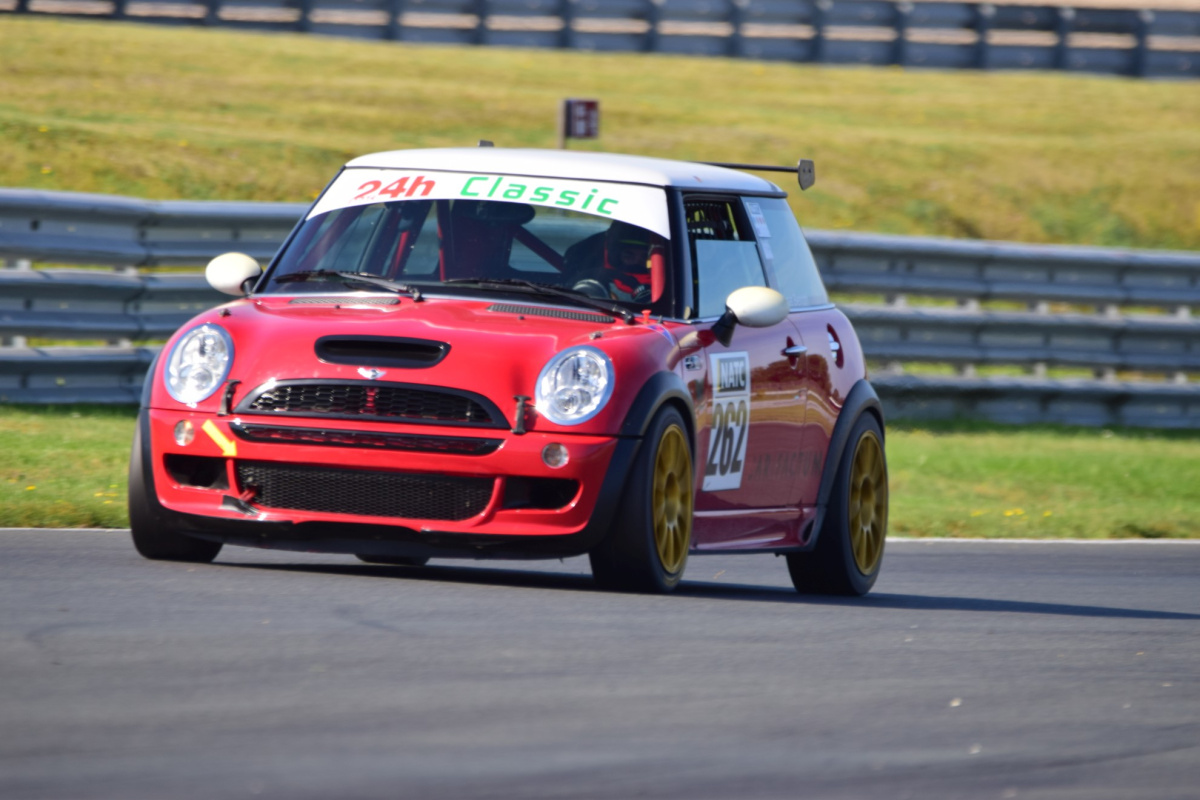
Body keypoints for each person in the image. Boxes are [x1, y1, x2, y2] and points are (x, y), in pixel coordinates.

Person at [564, 221, 661, 303]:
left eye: (644, 257)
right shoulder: (587, 270)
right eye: (629, 255)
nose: (636, 262)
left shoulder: (668, 286)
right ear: (615, 255)